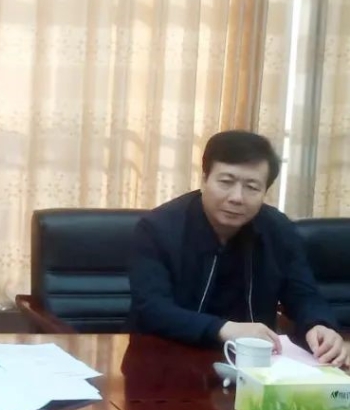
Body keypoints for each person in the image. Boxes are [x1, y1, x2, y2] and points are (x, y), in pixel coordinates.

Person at [128, 130, 347, 365]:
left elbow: (303, 294)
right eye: (226, 182)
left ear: (264, 191)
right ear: (204, 179)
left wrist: (319, 324)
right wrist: (222, 329)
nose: (237, 197)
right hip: (165, 359)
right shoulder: (158, 228)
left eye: (252, 187)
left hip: (253, 364)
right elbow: (151, 309)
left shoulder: (278, 230)